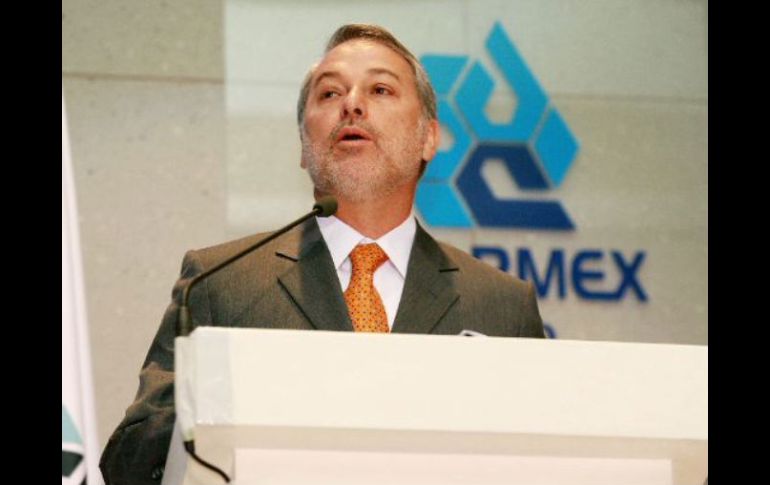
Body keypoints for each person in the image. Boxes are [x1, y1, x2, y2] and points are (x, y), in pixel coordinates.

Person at [99, 23, 545, 484]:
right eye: (330, 93)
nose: (352, 104)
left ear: (428, 138)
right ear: (302, 145)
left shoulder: (501, 306)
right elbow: (129, 463)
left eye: (380, 89)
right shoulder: (218, 283)